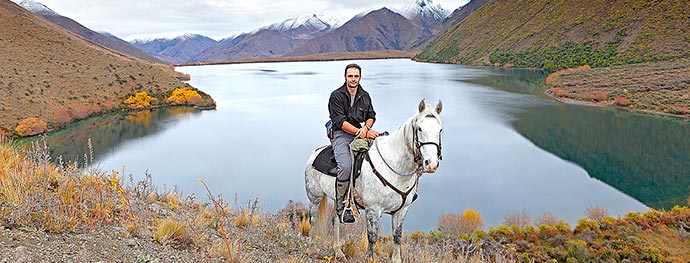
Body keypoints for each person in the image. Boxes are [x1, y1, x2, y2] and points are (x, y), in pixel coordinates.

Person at [328, 63, 379, 223]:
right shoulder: (336, 96)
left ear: (360, 77)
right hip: (341, 134)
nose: (353, 79)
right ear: (345, 77)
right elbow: (339, 121)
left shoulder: (365, 95)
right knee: (345, 166)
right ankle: (341, 206)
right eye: (350, 76)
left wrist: (367, 127)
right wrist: (360, 132)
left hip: (360, 132)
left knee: (382, 150)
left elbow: (371, 114)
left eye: (356, 76)